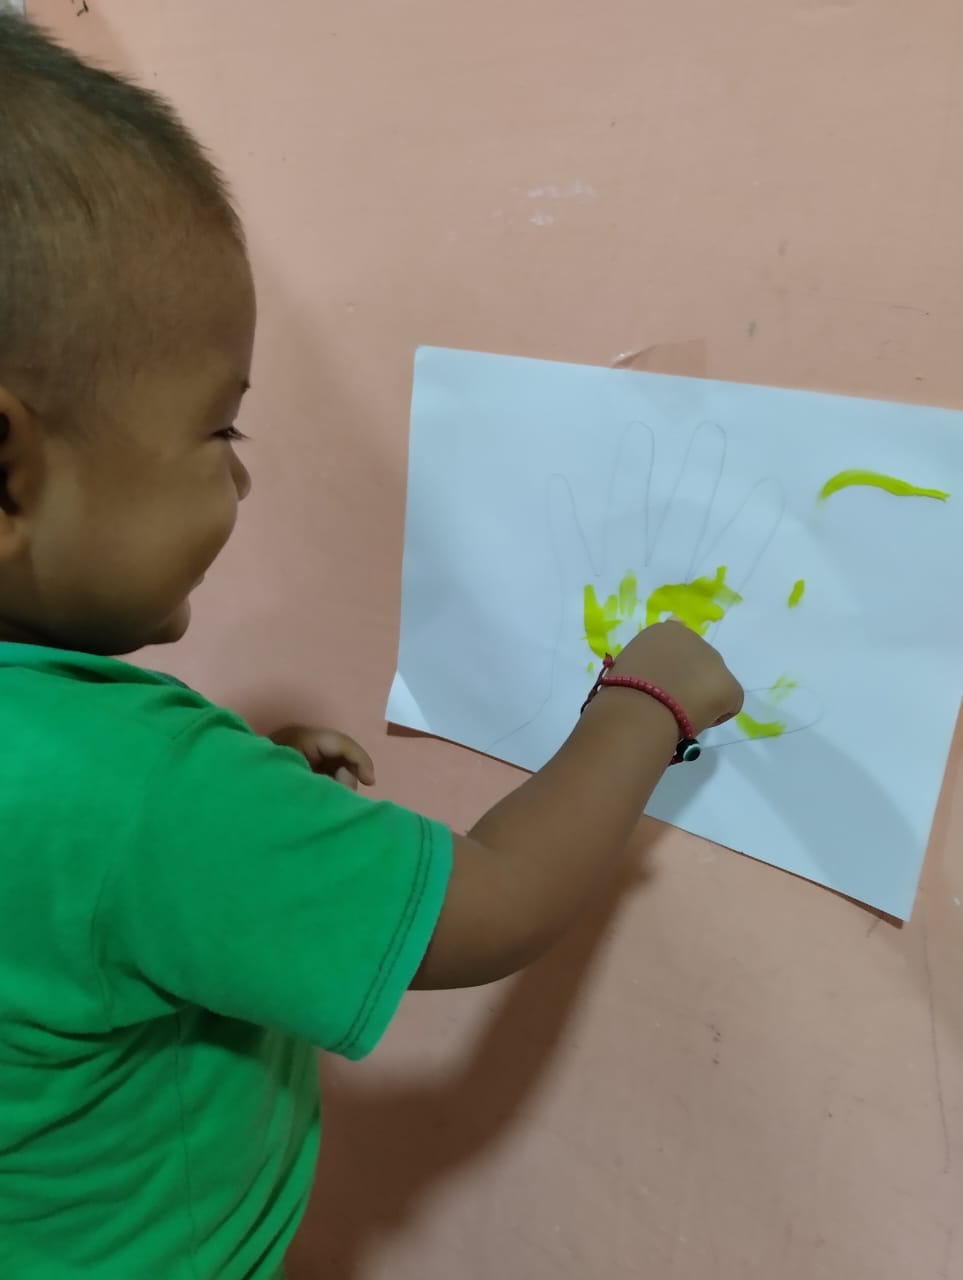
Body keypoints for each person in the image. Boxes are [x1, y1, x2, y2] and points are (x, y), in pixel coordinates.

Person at [0, 14, 744, 1279]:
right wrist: (641, 704)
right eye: (220, 432)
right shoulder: (147, 797)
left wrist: (243, 801)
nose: (242, 482)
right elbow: (496, 904)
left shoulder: (145, 797)